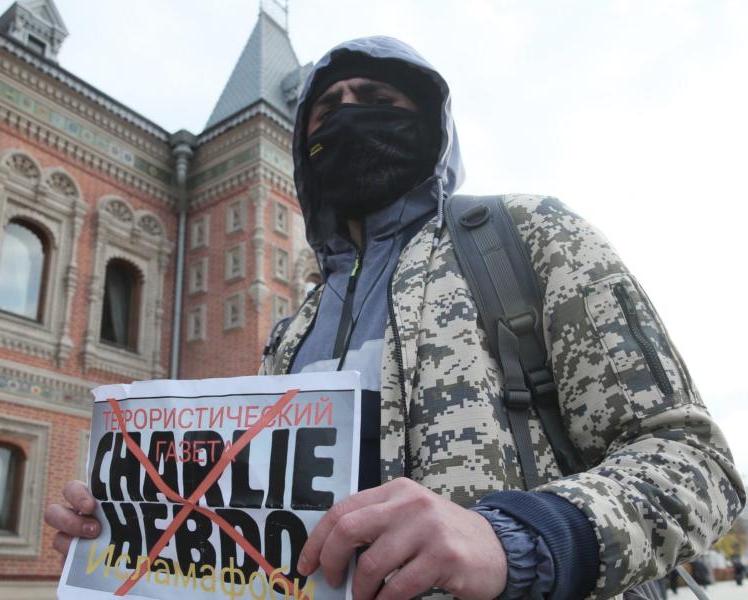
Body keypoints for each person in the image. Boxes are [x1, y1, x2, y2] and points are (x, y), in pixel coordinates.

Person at [45, 37, 745, 599]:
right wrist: (140, 524)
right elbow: (257, 533)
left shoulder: (523, 238)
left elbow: (696, 463)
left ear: (430, 126)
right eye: (327, 111)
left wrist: (514, 539)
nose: (349, 113)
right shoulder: (292, 331)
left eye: (376, 99)